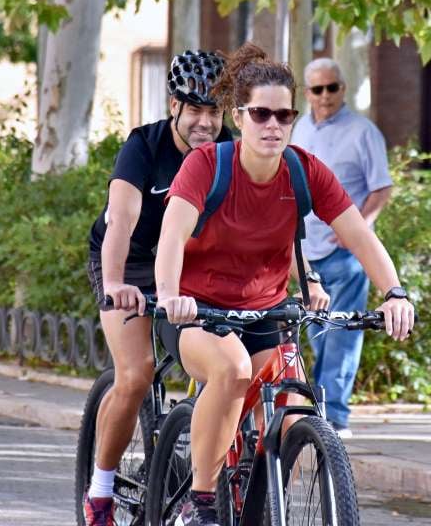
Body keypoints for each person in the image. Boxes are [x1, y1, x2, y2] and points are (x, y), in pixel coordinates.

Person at [155, 43, 415, 526]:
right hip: (198, 311)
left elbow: (357, 233)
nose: (273, 124)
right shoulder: (208, 165)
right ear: (239, 115)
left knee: (295, 413)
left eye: (284, 114)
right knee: (232, 370)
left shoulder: (303, 170)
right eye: (260, 113)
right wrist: (171, 295)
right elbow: (171, 235)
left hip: (267, 313)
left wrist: (395, 291)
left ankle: (256, 487)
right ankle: (202, 501)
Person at [81, 50, 232, 526]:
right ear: (174, 106)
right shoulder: (143, 147)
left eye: (214, 112)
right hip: (130, 261)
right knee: (136, 374)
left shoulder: (230, 147)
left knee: (226, 365)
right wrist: (114, 285)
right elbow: (121, 220)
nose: (205, 123)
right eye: (195, 111)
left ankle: (187, 452)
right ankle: (101, 490)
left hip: (189, 263)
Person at [290, 57, 393, 438]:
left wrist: (358, 228)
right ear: (307, 93)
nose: (326, 96)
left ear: (343, 89)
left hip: (345, 254)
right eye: (317, 89)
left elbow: (381, 188)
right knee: (314, 332)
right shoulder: (299, 127)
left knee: (342, 333)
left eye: (332, 87)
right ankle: (315, 411)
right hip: (305, 253)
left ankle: (335, 417)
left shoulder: (363, 132)